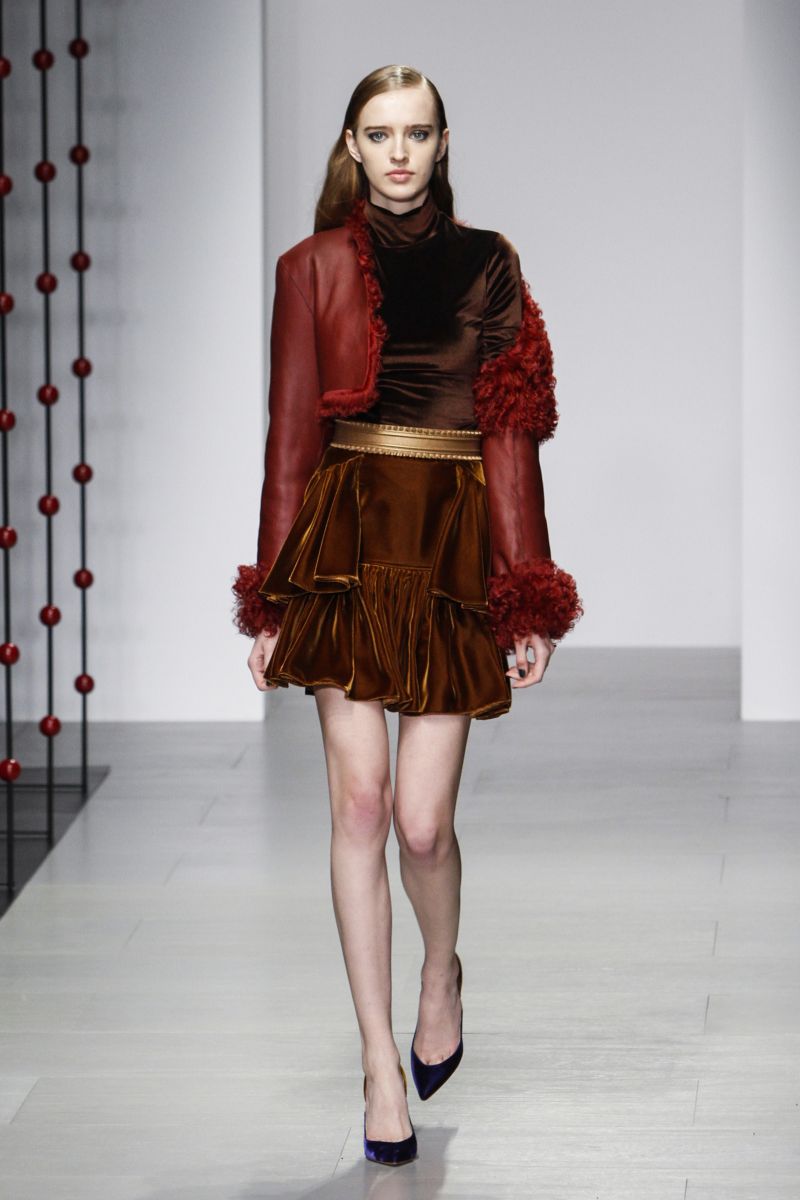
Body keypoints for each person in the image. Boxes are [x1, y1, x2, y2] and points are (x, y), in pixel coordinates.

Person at [232, 64, 583, 1167]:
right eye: (378, 134)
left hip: (447, 545)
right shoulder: (311, 269)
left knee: (423, 826)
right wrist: (269, 597)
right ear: (351, 144)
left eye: (416, 134)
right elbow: (290, 435)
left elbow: (511, 434)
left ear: (441, 143)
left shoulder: (488, 264)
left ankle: (440, 971)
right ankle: (379, 1064)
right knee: (361, 807)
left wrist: (525, 589)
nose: (397, 153)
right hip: (343, 541)